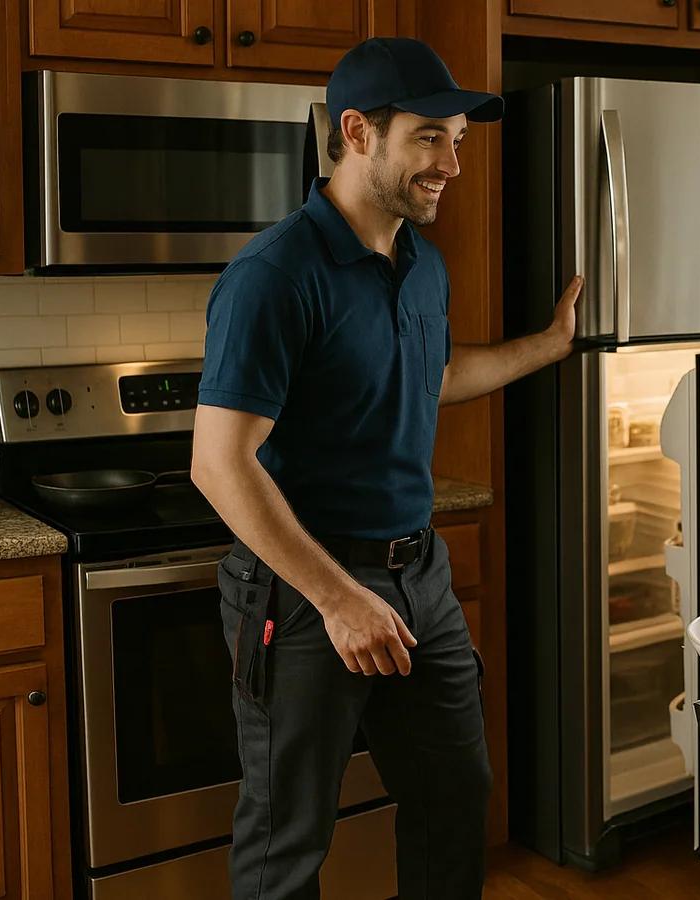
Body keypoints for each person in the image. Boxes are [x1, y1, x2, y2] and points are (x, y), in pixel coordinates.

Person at [191, 37, 581, 900]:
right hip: (303, 595)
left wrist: (546, 348)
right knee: (286, 841)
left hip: (420, 578)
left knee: (453, 801)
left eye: (458, 142)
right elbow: (219, 465)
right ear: (358, 132)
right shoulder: (275, 273)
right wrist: (338, 600)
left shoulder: (419, 262)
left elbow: (429, 376)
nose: (451, 164)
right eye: (430, 139)